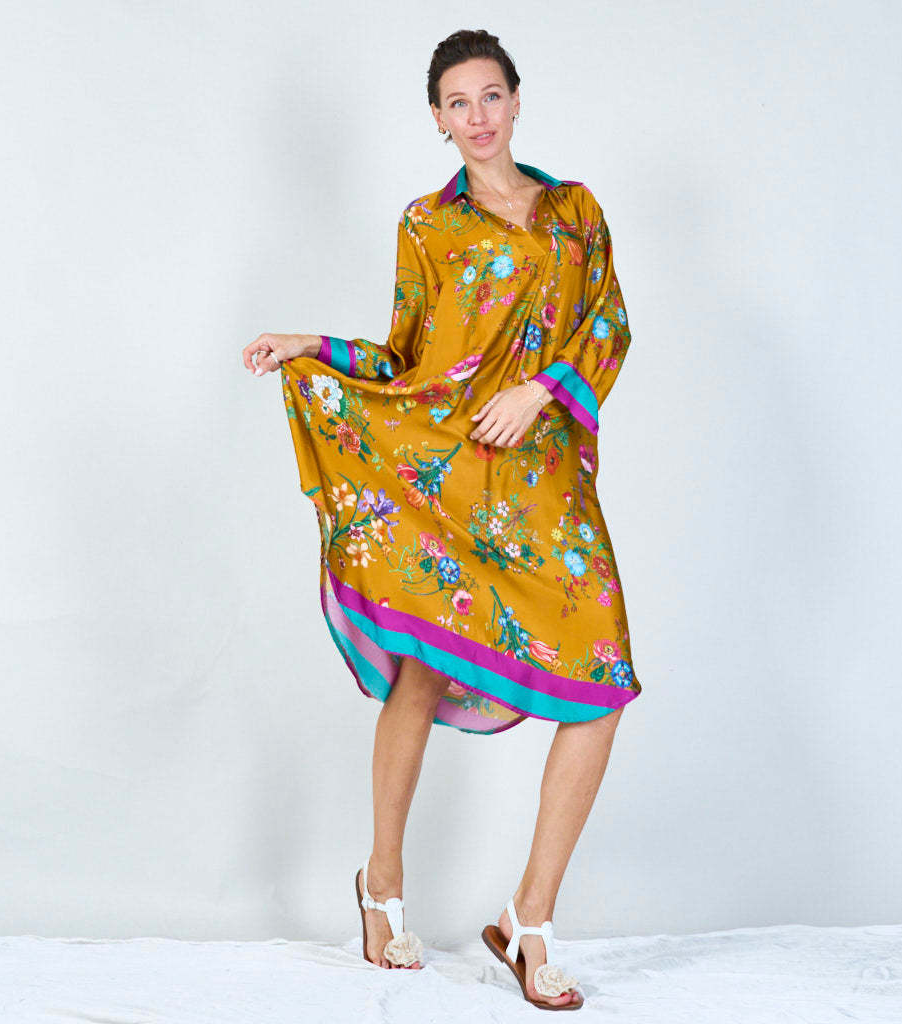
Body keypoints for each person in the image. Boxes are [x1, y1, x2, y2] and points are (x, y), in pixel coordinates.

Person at [241, 28, 642, 1011]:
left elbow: (611, 322)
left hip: (544, 482)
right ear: (437, 119)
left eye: (490, 95)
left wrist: (543, 391)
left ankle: (527, 919)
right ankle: (381, 883)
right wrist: (314, 346)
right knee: (419, 671)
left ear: (516, 100)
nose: (477, 116)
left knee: (601, 686)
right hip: (451, 477)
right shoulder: (427, 224)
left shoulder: (574, 211)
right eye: (458, 102)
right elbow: (407, 359)